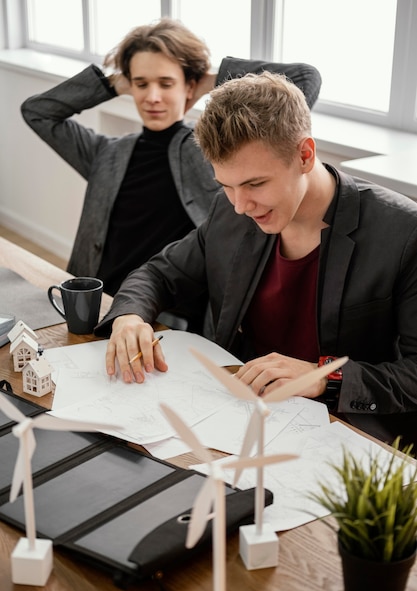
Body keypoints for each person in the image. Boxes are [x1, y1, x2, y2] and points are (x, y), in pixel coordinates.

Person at [95, 70, 417, 448]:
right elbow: (159, 274)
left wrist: (324, 377)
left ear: (304, 155)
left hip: (348, 432)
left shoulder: (403, 233)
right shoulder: (230, 211)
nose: (240, 205)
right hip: (242, 417)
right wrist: (130, 317)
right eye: (226, 185)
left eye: (254, 184)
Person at [21, 17, 321, 304]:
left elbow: (305, 79)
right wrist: (114, 83)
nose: (152, 96)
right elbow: (38, 112)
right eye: (141, 84)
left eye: (165, 83)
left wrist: (207, 81)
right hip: (94, 302)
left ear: (189, 86)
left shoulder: (212, 151)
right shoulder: (105, 154)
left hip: (164, 310)